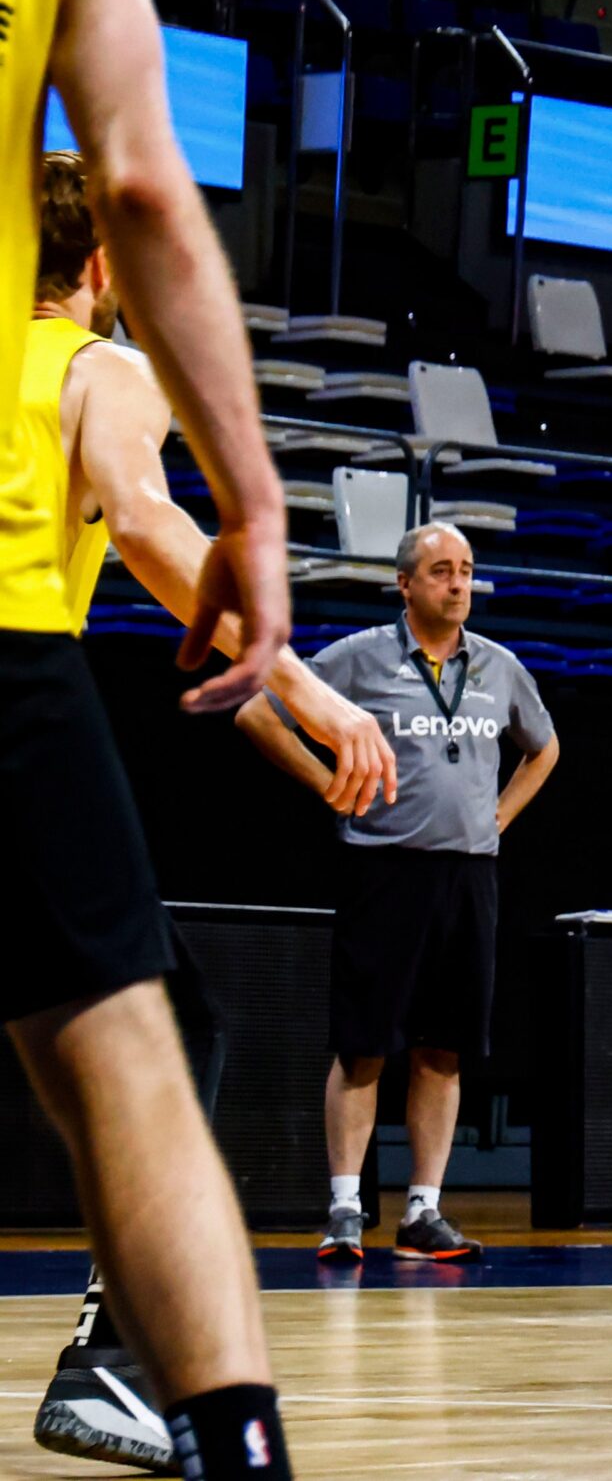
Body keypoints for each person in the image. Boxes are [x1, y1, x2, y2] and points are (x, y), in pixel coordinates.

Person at [21, 149, 399, 1470]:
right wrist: (321, 697)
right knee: (167, 1032)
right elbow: (147, 524)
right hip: (14, 676)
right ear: (108, 270)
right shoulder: (98, 368)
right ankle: (127, 1360)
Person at [0, 0, 301, 1480]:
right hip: (7, 654)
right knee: (143, 1046)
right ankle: (195, 1411)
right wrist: (260, 531)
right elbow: (142, 516)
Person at [236, 523, 559, 1265]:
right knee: (363, 1047)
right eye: (442, 571)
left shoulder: (498, 668)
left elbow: (545, 747)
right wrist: (326, 785)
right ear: (406, 585)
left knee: (444, 1049)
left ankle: (424, 1210)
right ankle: (346, 1208)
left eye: (468, 571)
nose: (458, 584)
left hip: (469, 876)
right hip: (385, 871)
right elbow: (259, 712)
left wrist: (500, 814)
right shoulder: (359, 659)